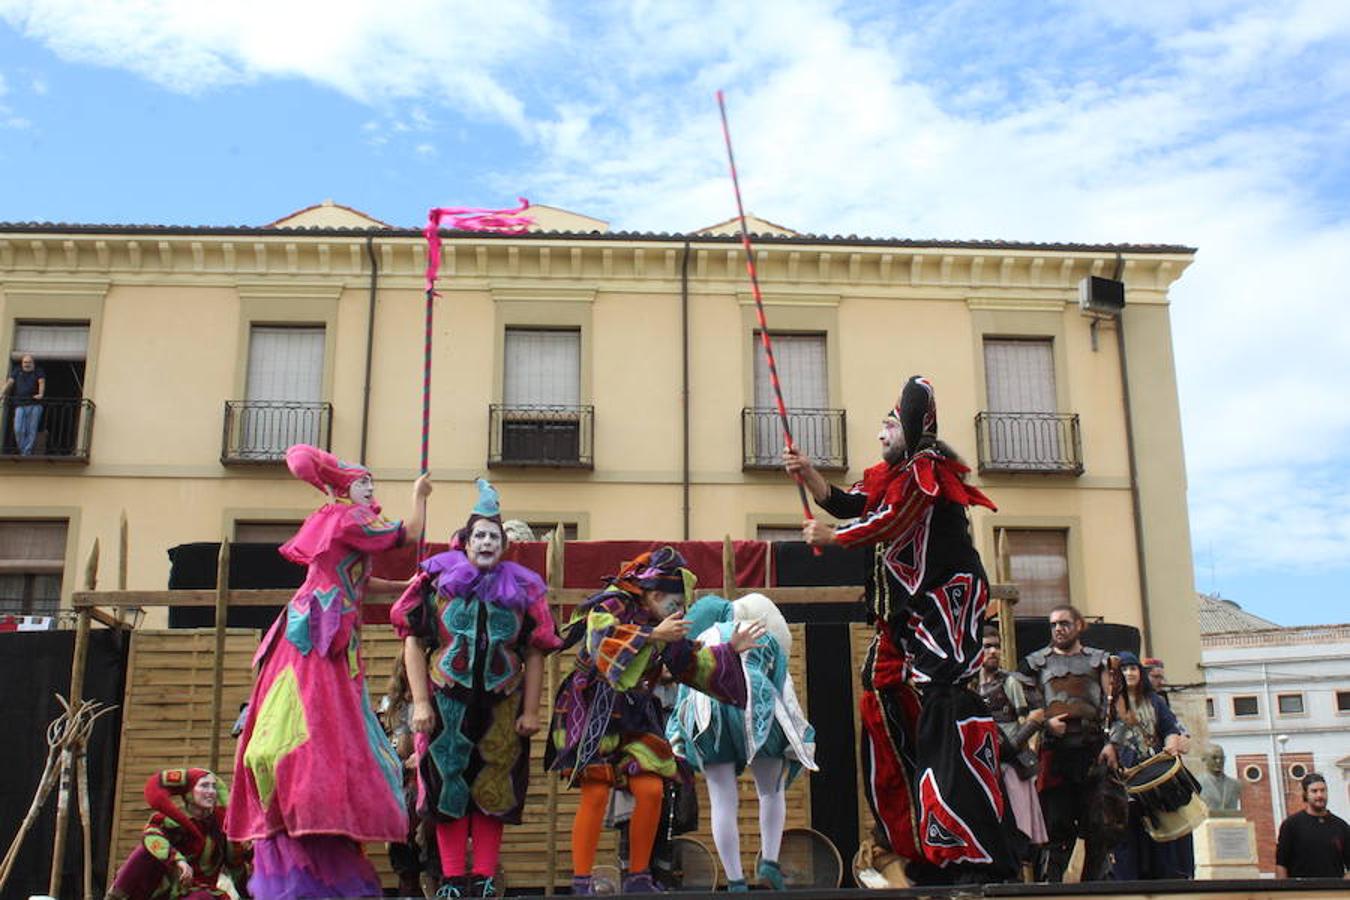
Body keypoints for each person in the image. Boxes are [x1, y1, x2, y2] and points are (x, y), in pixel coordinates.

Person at [784, 375, 1017, 884]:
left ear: (912, 428)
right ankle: (911, 843)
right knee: (882, 708)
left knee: (942, 719)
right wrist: (811, 477)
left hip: (944, 614)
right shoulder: (887, 476)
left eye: (889, 423)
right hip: (903, 624)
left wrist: (834, 537)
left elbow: (890, 521)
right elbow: (853, 503)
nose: (880, 433)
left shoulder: (926, 474)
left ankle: (969, 854)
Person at [226, 444, 430, 900]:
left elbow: (357, 582)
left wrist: (404, 587)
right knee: (313, 709)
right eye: (363, 484)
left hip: (325, 621)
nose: (370, 490)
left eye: (370, 484)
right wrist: (420, 494)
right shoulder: (348, 518)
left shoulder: (338, 524)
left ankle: (324, 780)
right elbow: (410, 534)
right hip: (321, 630)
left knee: (323, 713)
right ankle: (308, 781)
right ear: (344, 488)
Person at [547, 547, 764, 894]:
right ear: (656, 595)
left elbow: (687, 661)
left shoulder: (666, 621)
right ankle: (582, 882)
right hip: (593, 708)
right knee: (597, 790)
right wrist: (652, 636)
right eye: (674, 603)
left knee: (651, 788)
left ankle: (638, 877)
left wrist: (729, 651)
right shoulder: (612, 605)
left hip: (635, 710)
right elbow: (602, 647)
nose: (679, 611)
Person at [392, 478, 561, 898]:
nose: (486, 542)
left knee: (494, 788)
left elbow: (536, 651)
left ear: (503, 545)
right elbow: (413, 639)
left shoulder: (524, 589)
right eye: (479, 535)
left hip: (503, 705)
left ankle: (484, 879)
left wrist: (531, 710)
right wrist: (419, 703)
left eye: (494, 536)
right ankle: (450, 880)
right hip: (446, 701)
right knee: (448, 787)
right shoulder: (435, 583)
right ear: (465, 543)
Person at [667, 593, 817, 891]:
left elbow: (685, 693)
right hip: (757, 701)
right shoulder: (767, 637)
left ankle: (735, 881)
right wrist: (799, 739)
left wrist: (678, 734)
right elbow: (782, 691)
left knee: (722, 799)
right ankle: (769, 864)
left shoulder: (703, 639)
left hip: (708, 712)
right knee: (770, 792)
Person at [1021, 604, 1119, 882]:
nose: (1058, 629)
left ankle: (1096, 890)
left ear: (1079, 626)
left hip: (1094, 751)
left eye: (1064, 623)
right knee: (1056, 827)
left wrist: (1111, 743)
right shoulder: (1035, 663)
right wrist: (1045, 723)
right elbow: (1026, 704)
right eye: (1053, 625)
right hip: (1055, 753)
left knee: (1099, 826)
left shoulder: (1099, 661)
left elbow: (1116, 708)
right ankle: (1051, 889)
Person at [1107, 652, 1191, 880]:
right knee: (1126, 837)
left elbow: (1170, 728)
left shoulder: (1155, 701)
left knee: (1162, 834)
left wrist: (1172, 742)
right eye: (1124, 669)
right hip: (1123, 779)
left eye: (1133, 668)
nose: (1129, 673)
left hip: (1153, 777)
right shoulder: (1110, 704)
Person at [106, 768, 249, 900]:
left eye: (213, 787)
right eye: (204, 786)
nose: (211, 791)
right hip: (168, 887)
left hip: (199, 891)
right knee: (144, 853)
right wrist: (178, 860)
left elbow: (236, 865)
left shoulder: (221, 823)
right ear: (189, 793)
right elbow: (151, 835)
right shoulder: (174, 821)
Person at [973, 627, 1047, 868]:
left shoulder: (1011, 682)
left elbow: (1030, 720)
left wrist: (1019, 748)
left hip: (1013, 765)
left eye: (996, 646)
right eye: (987, 646)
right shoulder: (972, 688)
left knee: (1019, 826)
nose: (993, 651)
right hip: (985, 767)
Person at [1275, 773, 1350, 878]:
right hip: (1301, 891)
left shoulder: (1341, 826)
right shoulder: (1291, 825)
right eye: (1314, 791)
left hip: (1333, 891)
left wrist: (1343, 886)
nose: (1319, 795)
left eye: (1323, 790)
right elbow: (1281, 865)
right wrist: (1283, 893)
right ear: (1305, 794)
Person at [3, 353, 45, 455]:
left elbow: (41, 382)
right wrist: (1, 393)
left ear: (33, 363)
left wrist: (40, 394)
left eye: (29, 362)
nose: (27, 364)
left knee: (31, 429)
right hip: (20, 405)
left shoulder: (38, 371)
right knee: (18, 429)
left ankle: (26, 452)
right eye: (25, 362)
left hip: (34, 405)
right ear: (22, 363)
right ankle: (23, 450)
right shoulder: (17, 370)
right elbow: (10, 383)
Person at [1195, 745, 1243, 815]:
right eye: (1214, 758)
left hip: (1231, 824)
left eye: (1222, 758)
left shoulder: (1235, 784)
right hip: (1207, 823)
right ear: (1204, 759)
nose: (1218, 761)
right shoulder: (1197, 783)